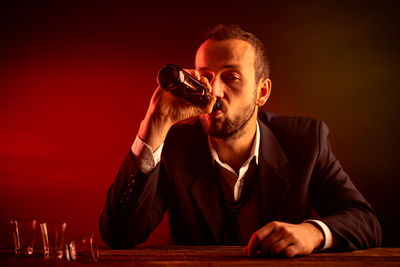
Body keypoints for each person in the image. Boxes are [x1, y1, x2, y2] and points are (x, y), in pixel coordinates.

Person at [100, 24, 382, 257]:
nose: (215, 91)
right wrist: (153, 126)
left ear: (262, 92)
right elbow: (119, 236)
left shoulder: (306, 140)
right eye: (206, 77)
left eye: (232, 77)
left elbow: (366, 222)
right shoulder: (172, 146)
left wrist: (313, 232)